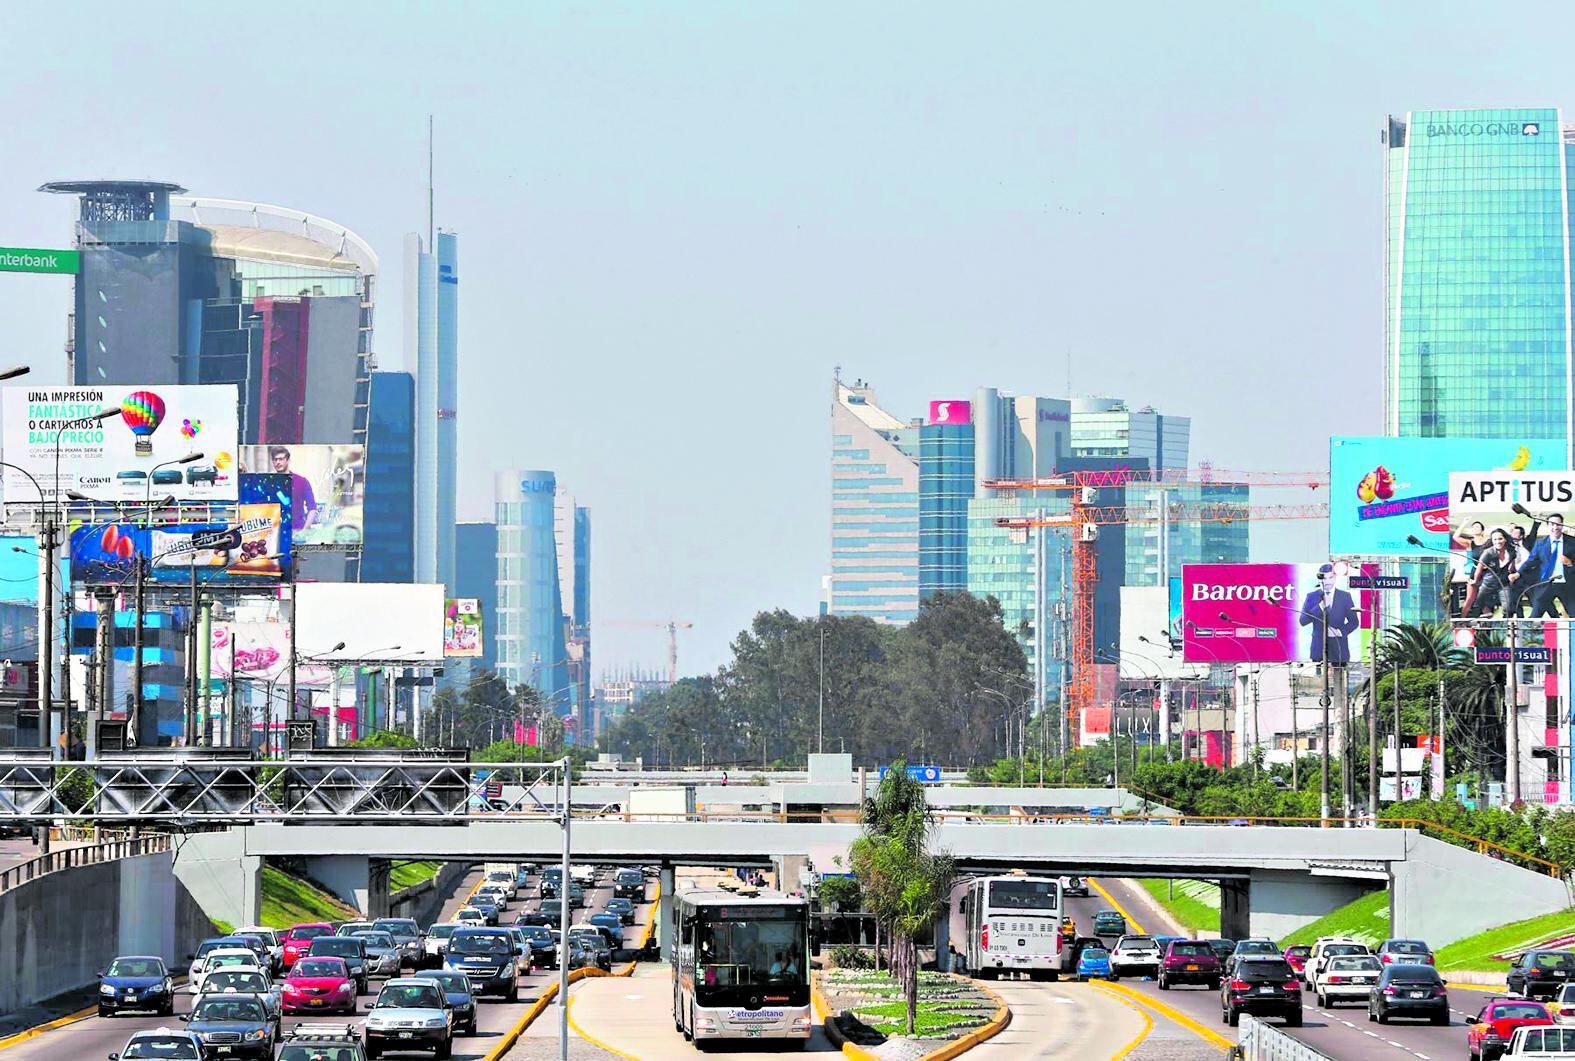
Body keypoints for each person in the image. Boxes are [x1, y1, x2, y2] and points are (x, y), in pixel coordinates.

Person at [1298, 563, 1360, 664]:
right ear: (1320, 579)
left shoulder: (1345, 596)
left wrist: (1339, 632)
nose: (1327, 581)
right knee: (1318, 678)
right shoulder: (1312, 596)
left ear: (1335, 577)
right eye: (1324, 578)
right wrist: (1320, 606)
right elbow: (1303, 621)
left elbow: (1354, 622)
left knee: (1340, 678)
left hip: (1339, 649)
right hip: (1318, 650)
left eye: (1330, 577)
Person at [1519, 513, 1575, 618]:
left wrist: (1570, 564)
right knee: (1534, 617)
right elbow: (1530, 561)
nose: (1555, 527)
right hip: (1546, 585)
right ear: (1548, 526)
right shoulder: (1540, 543)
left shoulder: (1572, 542)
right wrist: (1518, 573)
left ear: (1562, 525)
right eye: (1552, 524)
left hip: (1567, 585)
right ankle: (1527, 634)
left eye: (1558, 524)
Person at [1467, 528, 1519, 618]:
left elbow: (1512, 563)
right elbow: (1479, 568)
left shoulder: (1511, 551)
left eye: (1500, 539)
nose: (1497, 542)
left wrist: (1512, 573)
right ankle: (1472, 625)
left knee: (1508, 607)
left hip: (1503, 583)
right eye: (1495, 539)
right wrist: (1475, 581)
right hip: (1488, 583)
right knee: (1478, 606)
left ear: (1505, 539)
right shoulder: (1488, 553)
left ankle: (1505, 627)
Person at [269, 446, 318, 533]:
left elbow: (312, 508)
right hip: (274, 532)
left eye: (281, 459)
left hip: (297, 531)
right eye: (275, 459)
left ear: (288, 460)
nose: (278, 462)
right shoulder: (268, 483)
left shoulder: (302, 481)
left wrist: (304, 530)